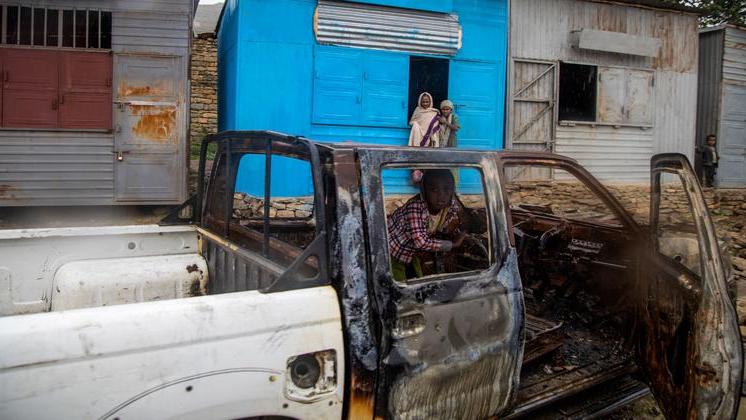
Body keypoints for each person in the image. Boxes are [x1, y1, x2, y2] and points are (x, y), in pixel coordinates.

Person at [387, 169, 467, 281]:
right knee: (399, 283)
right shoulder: (415, 207)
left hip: (411, 250)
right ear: (424, 191)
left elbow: (449, 222)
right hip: (393, 249)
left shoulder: (449, 205)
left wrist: (460, 232)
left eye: (447, 190)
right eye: (434, 190)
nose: (441, 196)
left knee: (418, 279)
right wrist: (453, 244)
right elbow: (421, 242)